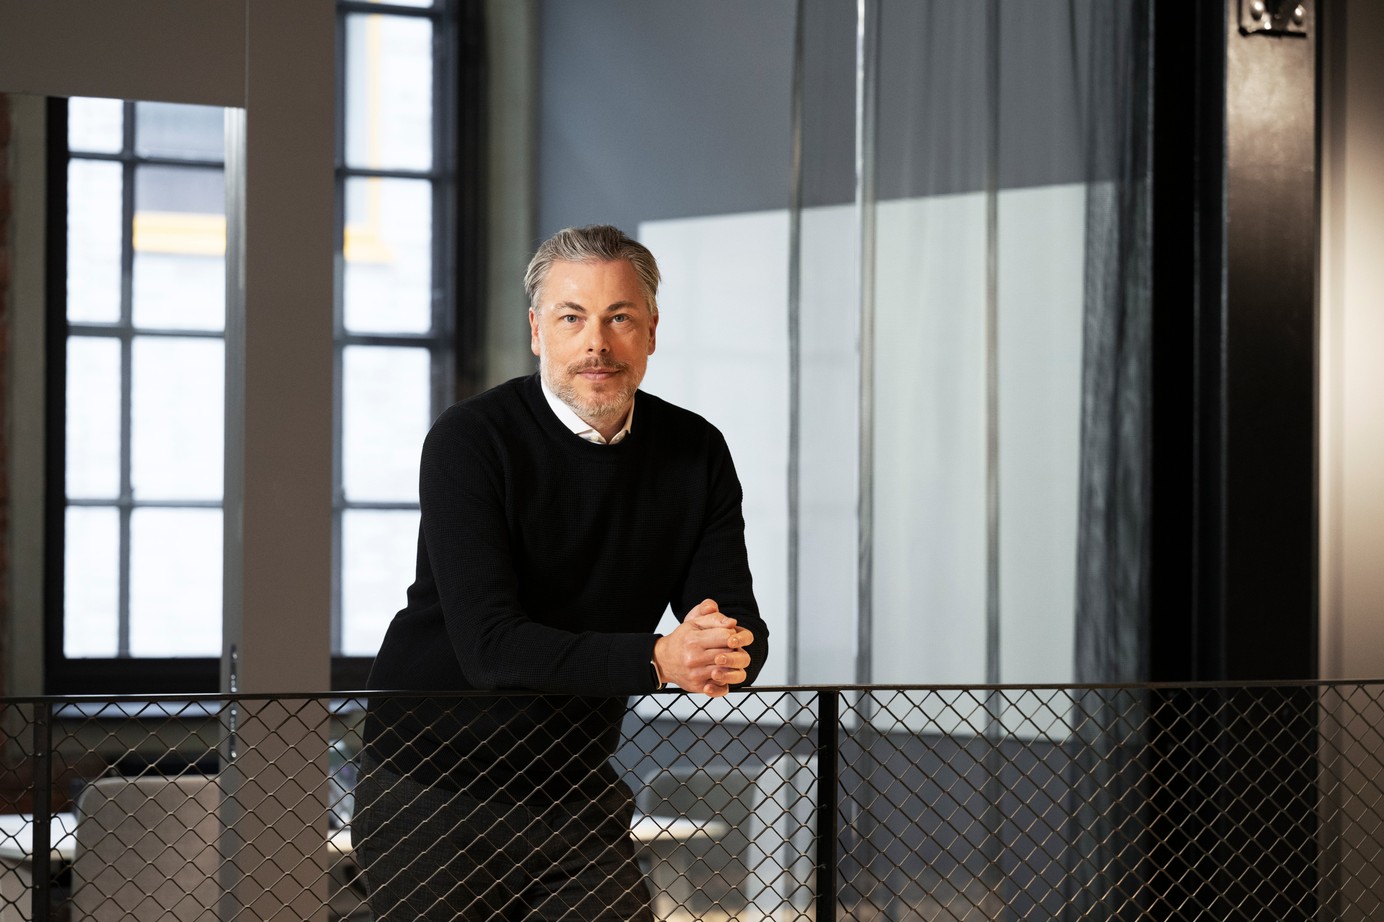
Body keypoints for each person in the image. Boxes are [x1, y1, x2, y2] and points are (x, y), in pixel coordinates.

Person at [355, 224, 769, 921]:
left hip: (573, 785)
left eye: (619, 318)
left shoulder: (695, 451)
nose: (596, 344)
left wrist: (723, 651)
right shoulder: (471, 439)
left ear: (652, 331)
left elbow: (734, 621)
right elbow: (491, 646)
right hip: (431, 785)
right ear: (536, 331)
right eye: (572, 318)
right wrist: (660, 658)